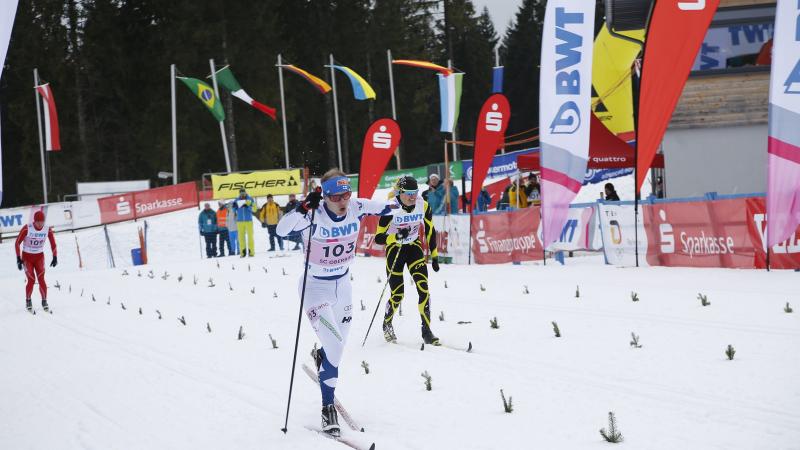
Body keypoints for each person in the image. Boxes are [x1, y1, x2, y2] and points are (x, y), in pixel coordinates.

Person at [276, 168, 395, 437]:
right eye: (336, 196)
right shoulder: (312, 215)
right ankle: (327, 407)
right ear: (325, 196)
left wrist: (408, 202)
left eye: (346, 194)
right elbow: (282, 229)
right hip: (314, 288)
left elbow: (387, 208)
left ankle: (322, 357)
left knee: (337, 346)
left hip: (343, 287)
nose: (343, 201)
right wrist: (302, 206)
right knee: (336, 346)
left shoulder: (356, 207)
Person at [374, 176, 440, 345]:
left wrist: (434, 255)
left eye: (415, 192)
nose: (412, 197)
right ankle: (387, 322)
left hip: (413, 248)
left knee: (423, 288)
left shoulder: (422, 204)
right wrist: (395, 237)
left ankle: (427, 330)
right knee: (398, 294)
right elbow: (378, 238)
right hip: (395, 250)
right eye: (408, 193)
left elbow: (430, 230)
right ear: (400, 193)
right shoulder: (390, 208)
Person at [15, 210, 57, 312]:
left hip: (39, 257)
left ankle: (44, 301)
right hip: (27, 258)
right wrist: (18, 258)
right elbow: (17, 243)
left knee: (41, 278)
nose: (40, 224)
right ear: (34, 221)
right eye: (38, 222)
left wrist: (55, 257)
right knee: (31, 280)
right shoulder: (27, 228)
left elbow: (53, 244)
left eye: (42, 221)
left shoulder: (47, 230)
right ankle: (28, 300)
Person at [233, 188, 257, 257]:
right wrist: (234, 207)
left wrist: (248, 206)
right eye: (241, 194)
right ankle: (242, 252)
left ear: (245, 193)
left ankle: (251, 252)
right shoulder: (236, 200)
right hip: (240, 221)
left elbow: (255, 209)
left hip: (248, 221)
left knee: (250, 237)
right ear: (239, 194)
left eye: (243, 194)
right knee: (241, 238)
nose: (242, 195)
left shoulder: (250, 199)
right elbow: (233, 209)